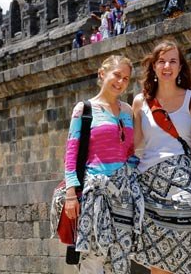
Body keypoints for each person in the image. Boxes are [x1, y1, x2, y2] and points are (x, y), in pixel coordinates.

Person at [62, 55, 141, 274]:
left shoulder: (126, 111)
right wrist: (70, 193)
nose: (120, 82)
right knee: (92, 258)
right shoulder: (84, 109)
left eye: (126, 78)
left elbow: (130, 151)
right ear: (102, 74)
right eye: (116, 75)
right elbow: (71, 152)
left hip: (124, 195)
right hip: (94, 194)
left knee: (120, 258)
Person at [132, 40, 191, 274]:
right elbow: (133, 145)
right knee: (158, 258)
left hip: (183, 185)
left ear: (180, 66)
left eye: (173, 61)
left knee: (188, 251)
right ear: (153, 66)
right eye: (161, 61)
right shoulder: (140, 102)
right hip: (149, 185)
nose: (167, 66)